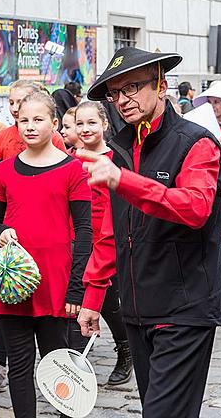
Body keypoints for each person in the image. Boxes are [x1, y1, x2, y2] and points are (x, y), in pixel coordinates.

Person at [77, 47, 221, 418]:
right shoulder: (119, 148)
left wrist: (124, 181)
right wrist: (93, 296)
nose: (122, 100)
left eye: (132, 87)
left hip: (184, 308)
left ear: (161, 84)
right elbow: (109, 231)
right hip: (137, 309)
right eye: (114, 93)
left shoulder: (196, 142)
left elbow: (194, 208)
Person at [0, 91, 92, 418]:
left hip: (54, 281)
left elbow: (85, 230)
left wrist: (76, 286)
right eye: (23, 121)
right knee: (19, 365)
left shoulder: (72, 170)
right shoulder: (4, 171)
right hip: (13, 283)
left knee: (58, 363)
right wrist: (0, 231)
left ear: (55, 123)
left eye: (38, 119)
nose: (29, 126)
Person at [72, 101, 133, 385]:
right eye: (80, 124)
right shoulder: (68, 160)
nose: (85, 129)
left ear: (105, 124)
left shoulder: (116, 157)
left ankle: (125, 347)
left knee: (108, 299)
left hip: (109, 239)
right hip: (77, 239)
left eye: (91, 123)